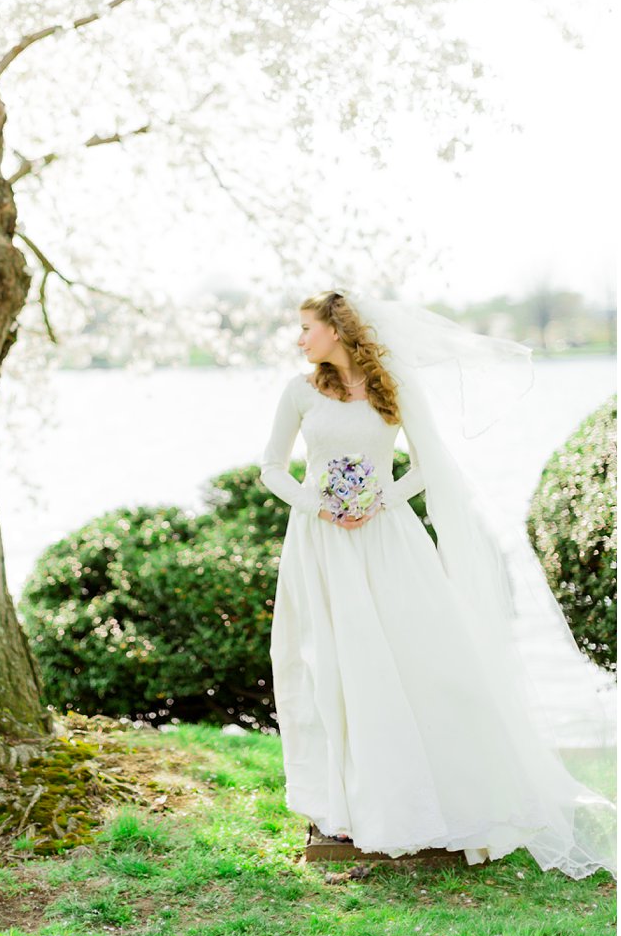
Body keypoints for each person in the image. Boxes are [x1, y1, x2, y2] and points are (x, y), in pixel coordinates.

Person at [260, 288, 616, 878]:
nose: (300, 339)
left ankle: (435, 788)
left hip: (386, 538)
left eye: (306, 327)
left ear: (338, 329)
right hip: (321, 541)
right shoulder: (299, 391)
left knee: (413, 655)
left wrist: (380, 500)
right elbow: (271, 466)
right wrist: (316, 505)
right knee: (336, 663)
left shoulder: (391, 386)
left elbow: (428, 465)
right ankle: (345, 801)